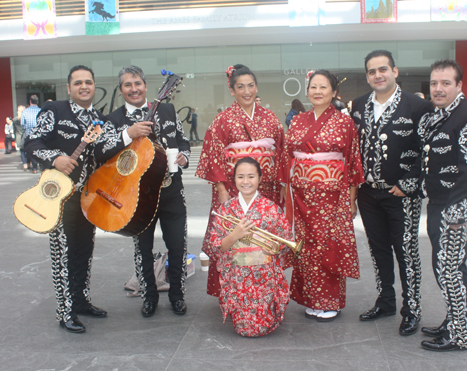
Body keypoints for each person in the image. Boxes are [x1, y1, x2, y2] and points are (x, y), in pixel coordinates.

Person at [24, 65, 124, 333]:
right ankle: (64, 311)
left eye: (88, 82)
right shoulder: (54, 111)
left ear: (94, 86)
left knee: (83, 251)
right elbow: (32, 142)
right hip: (60, 197)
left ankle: (80, 302)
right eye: (78, 82)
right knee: (63, 255)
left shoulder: (100, 119)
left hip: (88, 198)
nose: (84, 86)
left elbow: (107, 153)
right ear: (69, 88)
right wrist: (55, 158)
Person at [350, 50, 434, 335]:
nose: (378, 75)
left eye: (383, 69)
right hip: (368, 194)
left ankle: (412, 310)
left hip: (402, 195)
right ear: (367, 76)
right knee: (378, 250)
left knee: (407, 252)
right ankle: (385, 301)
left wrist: (410, 183)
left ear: (395, 72)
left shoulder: (417, 106)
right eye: (372, 71)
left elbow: (429, 151)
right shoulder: (359, 105)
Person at [417, 60, 467, 351]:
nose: (438, 88)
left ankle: (461, 335)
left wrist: (456, 214)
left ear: (459, 85)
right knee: (444, 267)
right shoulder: (437, 116)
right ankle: (453, 321)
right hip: (438, 203)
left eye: (446, 83)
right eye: (434, 83)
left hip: (459, 209)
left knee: (450, 269)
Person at [279, 69, 364, 322]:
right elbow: (287, 156)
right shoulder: (297, 120)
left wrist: (351, 198)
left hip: (331, 196)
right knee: (305, 248)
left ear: (334, 92)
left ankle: (329, 301)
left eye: (323, 87)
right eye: (313, 87)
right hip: (301, 194)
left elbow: (352, 162)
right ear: (307, 91)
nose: (317, 91)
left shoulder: (344, 123)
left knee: (328, 246)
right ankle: (310, 298)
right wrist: (286, 187)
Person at [106, 65, 190, 317]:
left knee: (177, 246)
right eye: (128, 85)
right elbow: (105, 154)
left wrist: (184, 155)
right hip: (137, 197)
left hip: (171, 191)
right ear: (121, 90)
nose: (134, 89)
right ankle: (149, 296)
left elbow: (182, 140)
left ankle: (177, 295)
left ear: (145, 85)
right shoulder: (114, 120)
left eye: (138, 83)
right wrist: (126, 134)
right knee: (142, 248)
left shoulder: (167, 109)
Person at [196, 64, 285, 297]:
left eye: (251, 85)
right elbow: (213, 155)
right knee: (235, 236)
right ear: (232, 90)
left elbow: (281, 152)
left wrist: (281, 184)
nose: (247, 91)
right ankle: (234, 288)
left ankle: (262, 284)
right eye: (240, 87)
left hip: (265, 188)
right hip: (234, 188)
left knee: (262, 235)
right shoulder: (223, 119)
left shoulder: (270, 118)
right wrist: (222, 188)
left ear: (256, 87)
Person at [208, 157, 294, 337]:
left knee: (261, 327)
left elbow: (285, 241)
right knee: (244, 329)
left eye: (251, 176)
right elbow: (217, 247)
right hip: (237, 275)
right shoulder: (225, 209)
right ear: (234, 179)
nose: (245, 182)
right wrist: (234, 235)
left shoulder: (271, 208)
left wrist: (275, 248)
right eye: (240, 177)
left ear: (260, 179)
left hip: (264, 275)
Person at [21, 95, 42, 173]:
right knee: (39, 149)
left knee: (31, 150)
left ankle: (34, 168)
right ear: (37, 102)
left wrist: (28, 127)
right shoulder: (41, 110)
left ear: (30, 102)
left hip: (29, 134)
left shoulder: (25, 111)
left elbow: (22, 123)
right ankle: (40, 166)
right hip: (39, 134)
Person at [12, 105, 28, 169]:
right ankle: (29, 163)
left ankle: (25, 164)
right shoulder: (26, 119)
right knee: (28, 151)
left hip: (19, 137)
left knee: (22, 152)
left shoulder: (15, 119)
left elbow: (14, 130)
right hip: (25, 136)